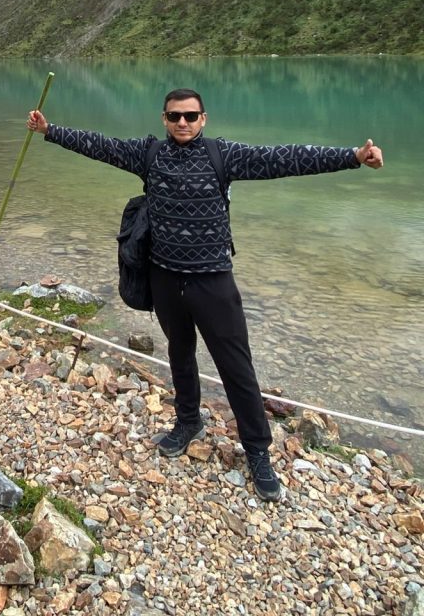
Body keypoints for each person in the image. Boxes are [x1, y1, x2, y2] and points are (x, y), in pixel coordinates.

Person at [27, 88, 383, 502]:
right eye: (175, 116)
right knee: (179, 353)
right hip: (165, 279)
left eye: (190, 116)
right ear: (164, 119)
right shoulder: (148, 155)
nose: (183, 123)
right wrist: (50, 131)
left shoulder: (223, 155)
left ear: (203, 119)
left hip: (213, 281)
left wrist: (353, 157)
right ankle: (188, 421)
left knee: (236, 367)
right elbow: (100, 145)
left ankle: (257, 452)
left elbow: (285, 159)